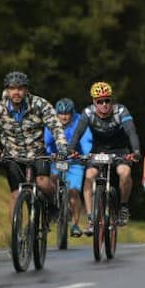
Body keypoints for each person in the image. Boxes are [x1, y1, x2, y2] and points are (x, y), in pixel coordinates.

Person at [0, 71, 67, 217]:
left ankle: (55, 203)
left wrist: (62, 146)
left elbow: (56, 126)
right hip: (13, 156)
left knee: (42, 182)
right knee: (15, 195)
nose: (16, 92)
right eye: (12, 88)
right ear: (6, 90)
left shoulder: (39, 104)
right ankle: (15, 236)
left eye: (20, 88)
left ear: (26, 90)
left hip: (37, 153)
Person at [69, 81, 141, 233]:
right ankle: (90, 219)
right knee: (89, 176)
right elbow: (77, 132)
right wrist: (71, 148)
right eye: (99, 101)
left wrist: (135, 151)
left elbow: (131, 132)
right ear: (94, 102)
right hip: (99, 150)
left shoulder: (120, 111)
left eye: (107, 100)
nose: (104, 104)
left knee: (125, 172)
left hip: (120, 150)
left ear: (111, 100)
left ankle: (123, 206)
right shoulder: (88, 113)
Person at [44, 98, 91, 238]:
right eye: (61, 113)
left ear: (72, 113)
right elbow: (46, 141)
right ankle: (51, 209)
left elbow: (87, 140)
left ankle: (75, 225)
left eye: (67, 113)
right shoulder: (51, 121)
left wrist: (85, 155)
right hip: (56, 159)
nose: (64, 116)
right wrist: (48, 154)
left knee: (74, 191)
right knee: (50, 181)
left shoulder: (79, 121)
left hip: (75, 161)